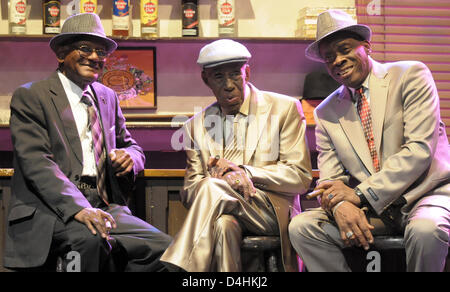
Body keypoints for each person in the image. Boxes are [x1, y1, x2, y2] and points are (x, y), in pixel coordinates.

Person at [4, 13, 172, 272]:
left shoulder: (107, 97)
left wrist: (131, 158)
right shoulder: (31, 96)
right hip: (51, 209)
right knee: (90, 241)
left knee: (170, 250)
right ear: (61, 53)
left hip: (104, 204)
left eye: (101, 51)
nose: (96, 57)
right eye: (85, 48)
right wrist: (78, 207)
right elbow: (36, 162)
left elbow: (132, 146)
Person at [289, 9, 450, 272]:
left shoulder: (410, 75)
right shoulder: (326, 112)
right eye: (329, 57)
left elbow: (418, 151)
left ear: (366, 47)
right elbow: (330, 180)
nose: (338, 60)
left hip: (426, 195)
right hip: (377, 210)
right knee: (303, 228)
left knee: (426, 230)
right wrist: (340, 204)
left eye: (344, 49)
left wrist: (359, 194)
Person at [160, 39, 312, 272]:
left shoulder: (284, 108)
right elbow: (190, 193)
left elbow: (300, 177)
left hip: (270, 210)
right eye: (219, 77)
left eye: (235, 74)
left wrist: (246, 172)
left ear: (247, 73)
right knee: (222, 224)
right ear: (205, 79)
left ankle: (179, 268)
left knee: (212, 187)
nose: (229, 85)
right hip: (223, 210)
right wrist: (226, 182)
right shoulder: (195, 126)